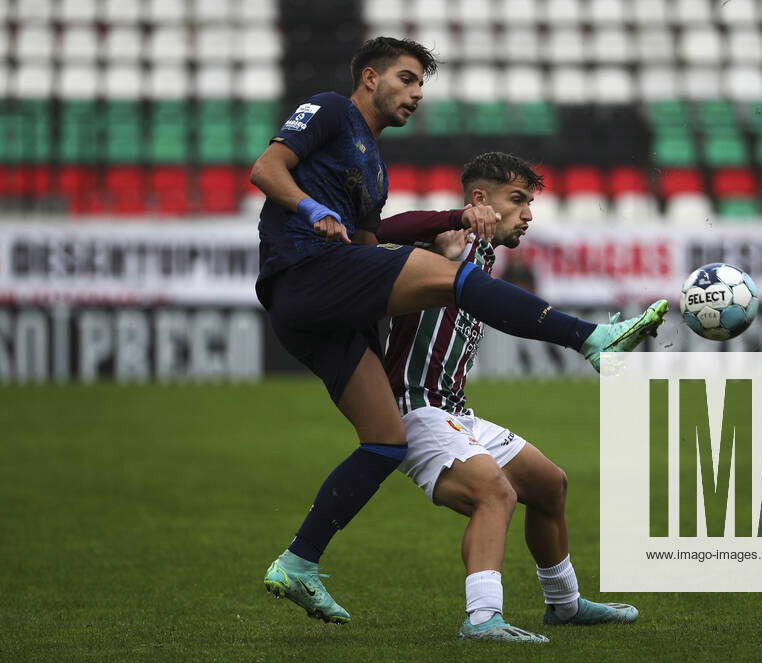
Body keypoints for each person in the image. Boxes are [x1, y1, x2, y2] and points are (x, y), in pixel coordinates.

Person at [250, 36, 669, 624]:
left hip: (330, 311)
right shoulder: (332, 109)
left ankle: (297, 564)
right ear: (370, 78)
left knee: (385, 440)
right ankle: (589, 338)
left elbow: (372, 241)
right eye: (406, 78)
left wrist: (377, 229)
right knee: (455, 279)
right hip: (304, 270)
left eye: (422, 83)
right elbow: (267, 168)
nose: (417, 93)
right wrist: (312, 209)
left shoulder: (373, 165)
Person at [386, 152, 639, 643]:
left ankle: (564, 606)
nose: (529, 214)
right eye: (518, 200)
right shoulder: (442, 245)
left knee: (548, 485)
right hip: (415, 411)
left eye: (530, 202)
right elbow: (375, 230)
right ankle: (482, 619)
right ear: (480, 201)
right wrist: (446, 225)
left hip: (454, 411)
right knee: (495, 493)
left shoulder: (482, 257)